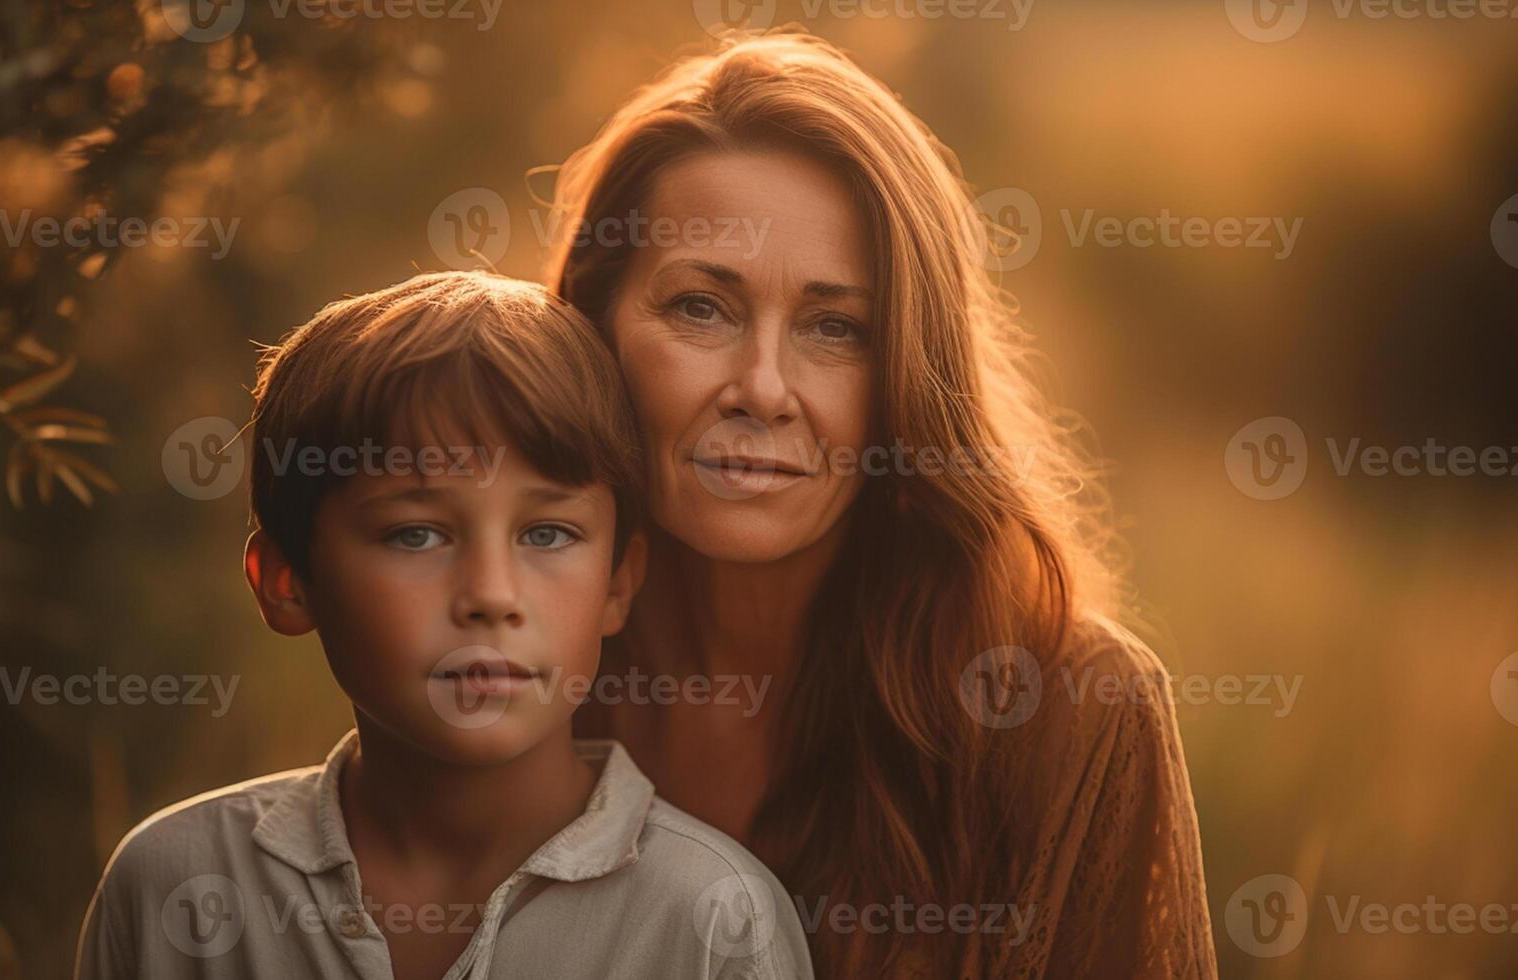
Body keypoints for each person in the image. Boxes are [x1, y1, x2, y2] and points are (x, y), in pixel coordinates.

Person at [548, 32, 1217, 978]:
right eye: (702, 307)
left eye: (836, 328)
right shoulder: (510, 665)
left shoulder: (1067, 716)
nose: (764, 388)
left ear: (907, 374)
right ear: (591, 321)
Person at [73, 271, 814, 980]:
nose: (491, 596)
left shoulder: (714, 920)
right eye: (415, 536)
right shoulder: (175, 885)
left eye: (548, 534)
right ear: (286, 583)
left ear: (618, 583)